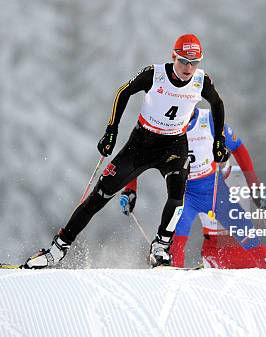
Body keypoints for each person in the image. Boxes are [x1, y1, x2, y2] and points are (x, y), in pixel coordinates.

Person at [24, 34, 230, 268]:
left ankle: (161, 247)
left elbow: (217, 104)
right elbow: (124, 92)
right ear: (173, 56)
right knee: (99, 196)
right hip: (141, 143)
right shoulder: (155, 74)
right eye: (183, 61)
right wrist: (111, 130)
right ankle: (57, 250)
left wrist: (219, 141)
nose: (188, 67)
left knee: (177, 196)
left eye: (195, 62)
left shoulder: (201, 81)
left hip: (174, 145)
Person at [119, 107, 266, 268]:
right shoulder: (166, 127)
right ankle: (172, 273)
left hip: (226, 215)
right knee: (176, 235)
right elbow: (137, 156)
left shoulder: (211, 124)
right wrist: (130, 188)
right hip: (199, 221)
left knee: (249, 238)